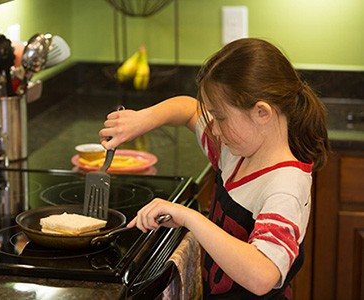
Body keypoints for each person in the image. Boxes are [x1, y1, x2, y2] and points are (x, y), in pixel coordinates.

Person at [99, 38, 330, 299]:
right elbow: (188, 111)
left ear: (262, 113)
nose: (215, 129)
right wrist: (144, 119)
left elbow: (263, 274)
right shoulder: (234, 153)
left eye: (220, 117)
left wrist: (190, 218)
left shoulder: (284, 186)